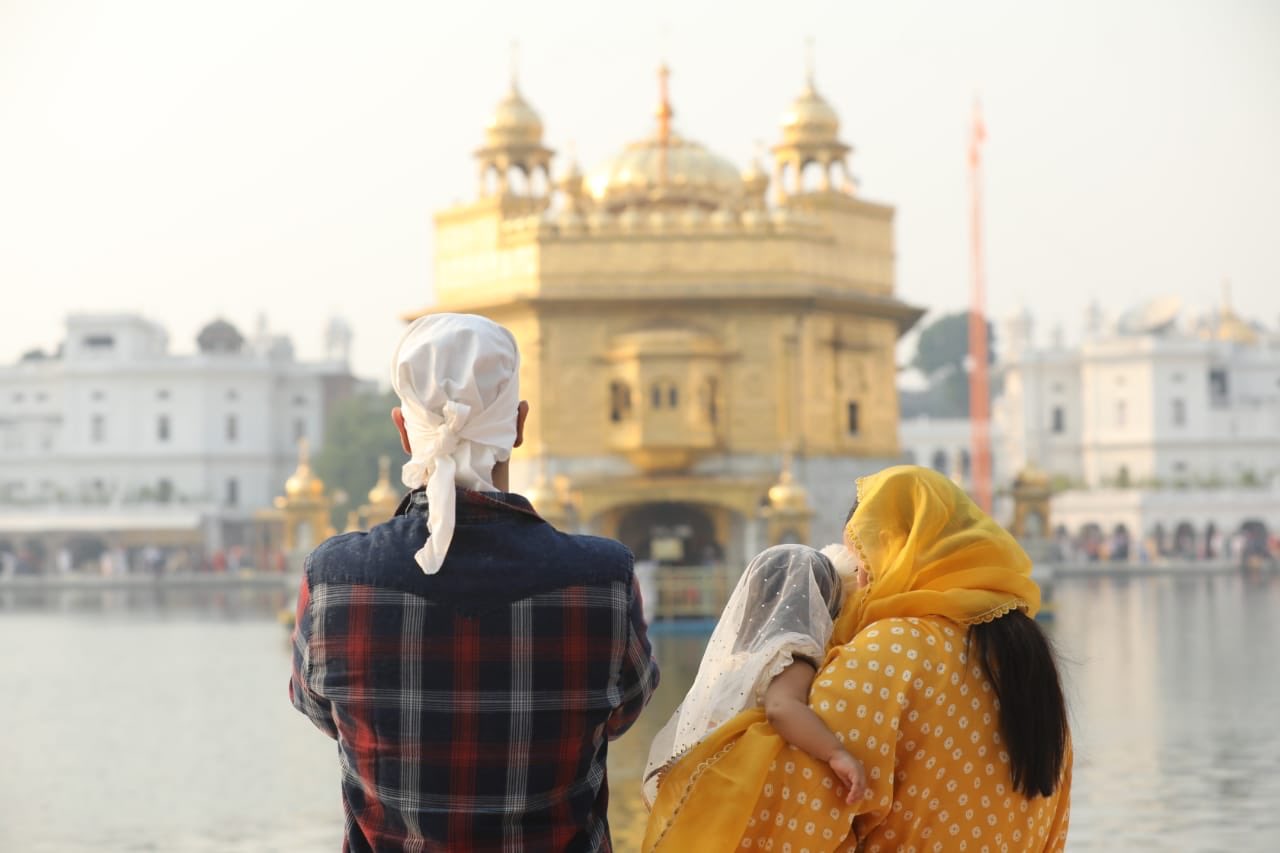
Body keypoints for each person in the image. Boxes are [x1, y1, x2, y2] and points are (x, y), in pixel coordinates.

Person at [289, 313, 660, 852]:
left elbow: (320, 709)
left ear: (402, 430)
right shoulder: (604, 580)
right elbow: (625, 708)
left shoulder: (333, 581)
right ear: (518, 425)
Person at [643, 465, 1071, 851]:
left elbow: (798, 811)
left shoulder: (893, 651)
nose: (859, 582)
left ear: (900, 555)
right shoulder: (1028, 653)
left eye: (863, 562)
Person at [642, 545, 866, 809]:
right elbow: (781, 707)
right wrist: (835, 752)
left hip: (704, 781)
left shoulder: (738, 658)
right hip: (738, 789)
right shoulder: (792, 654)